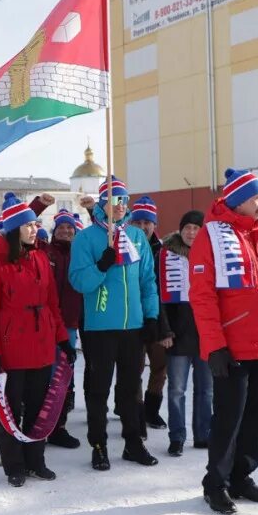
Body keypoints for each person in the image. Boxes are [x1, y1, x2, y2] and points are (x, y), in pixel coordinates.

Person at [188, 168, 258, 515]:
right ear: (238, 201)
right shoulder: (212, 236)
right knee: (228, 418)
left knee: (253, 416)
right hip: (231, 348)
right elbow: (202, 296)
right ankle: (215, 483)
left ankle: (241, 477)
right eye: (256, 197)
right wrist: (214, 345)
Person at [0, 194, 75, 487]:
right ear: (13, 230)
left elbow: (52, 304)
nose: (34, 229)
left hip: (42, 345)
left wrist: (62, 340)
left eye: (35, 225)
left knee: (39, 408)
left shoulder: (40, 259)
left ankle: (36, 460)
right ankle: (14, 465)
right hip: (11, 350)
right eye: (28, 225)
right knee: (10, 409)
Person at [69, 176, 161, 471]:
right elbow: (79, 281)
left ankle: (133, 442)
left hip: (133, 327)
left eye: (124, 199)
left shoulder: (136, 238)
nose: (120, 205)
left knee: (130, 387)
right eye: (114, 199)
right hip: (100, 327)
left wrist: (151, 317)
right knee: (99, 389)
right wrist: (101, 266)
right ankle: (98, 444)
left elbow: (148, 281)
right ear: (101, 202)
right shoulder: (86, 238)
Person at [159, 209, 212, 456]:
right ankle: (177, 436)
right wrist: (165, 331)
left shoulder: (211, 255)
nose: (191, 232)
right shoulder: (166, 255)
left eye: (196, 228)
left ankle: (203, 434)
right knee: (176, 390)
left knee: (206, 389)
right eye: (187, 228)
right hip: (178, 334)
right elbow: (160, 298)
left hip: (205, 335)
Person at [129, 195, 172, 433]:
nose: (144, 227)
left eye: (148, 222)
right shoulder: (125, 247)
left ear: (154, 225)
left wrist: (165, 325)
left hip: (159, 318)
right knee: (133, 368)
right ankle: (133, 411)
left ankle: (151, 411)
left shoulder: (164, 252)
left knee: (159, 367)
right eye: (139, 222)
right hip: (133, 318)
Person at [44, 209, 84, 449]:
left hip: (70, 322)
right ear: (54, 231)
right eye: (61, 227)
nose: (66, 231)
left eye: (70, 228)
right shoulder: (46, 252)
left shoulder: (81, 253)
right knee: (46, 375)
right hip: (46, 322)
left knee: (63, 376)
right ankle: (42, 423)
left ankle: (58, 426)